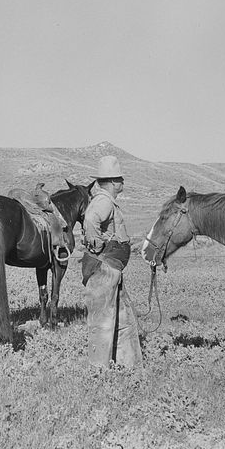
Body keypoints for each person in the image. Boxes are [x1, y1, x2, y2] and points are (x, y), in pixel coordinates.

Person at [81, 155, 144, 369]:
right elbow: (90, 220)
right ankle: (98, 371)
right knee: (102, 321)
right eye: (121, 179)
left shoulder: (105, 200)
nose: (123, 183)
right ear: (115, 182)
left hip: (111, 267)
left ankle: (128, 366)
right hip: (104, 267)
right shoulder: (104, 201)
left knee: (122, 319)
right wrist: (98, 245)